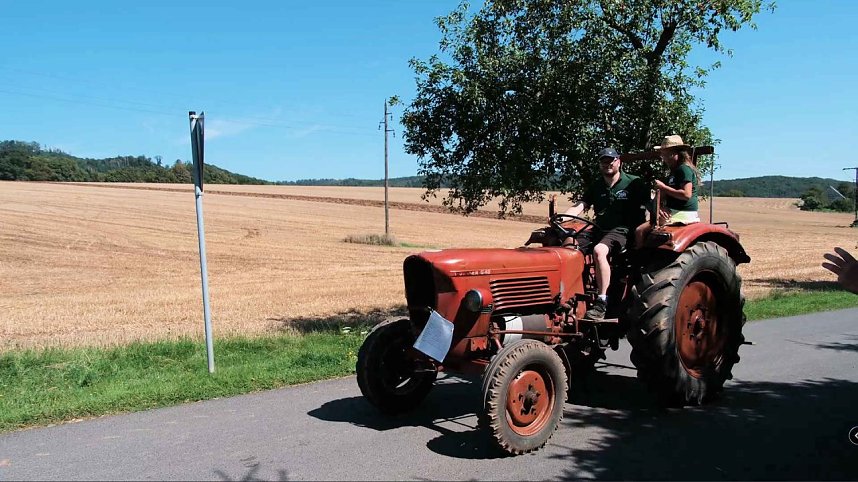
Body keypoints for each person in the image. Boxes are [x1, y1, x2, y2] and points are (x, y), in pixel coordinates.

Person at [564, 147, 648, 319]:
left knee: (599, 251)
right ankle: (569, 295)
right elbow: (581, 205)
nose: (608, 164)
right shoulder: (597, 185)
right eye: (604, 161)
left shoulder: (634, 183)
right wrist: (564, 217)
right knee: (568, 246)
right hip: (600, 229)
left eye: (611, 160)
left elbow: (650, 206)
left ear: (619, 162)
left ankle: (602, 301)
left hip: (623, 230)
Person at [634, 134, 701, 249]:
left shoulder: (683, 169)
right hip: (674, 211)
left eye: (664, 153)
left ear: (674, 153)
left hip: (683, 213)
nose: (662, 157)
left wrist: (663, 187)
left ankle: (641, 260)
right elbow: (667, 194)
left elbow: (686, 194)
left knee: (639, 231)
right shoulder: (674, 171)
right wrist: (661, 206)